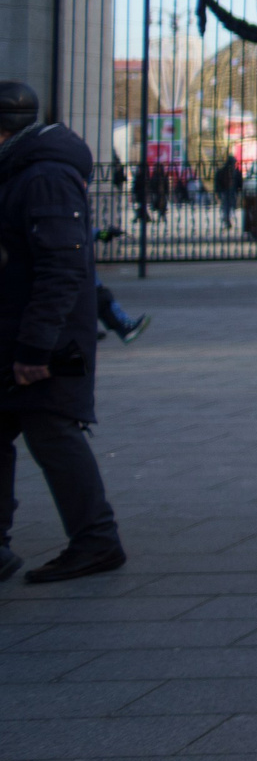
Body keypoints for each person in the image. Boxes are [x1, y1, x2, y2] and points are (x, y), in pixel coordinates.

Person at [0, 81, 126, 584]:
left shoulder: (44, 176)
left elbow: (62, 267)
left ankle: (97, 540)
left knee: (52, 430)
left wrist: (36, 348)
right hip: (20, 331)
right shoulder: (21, 170)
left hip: (45, 339)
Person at [214, 151, 242, 228]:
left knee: (226, 206)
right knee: (229, 206)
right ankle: (227, 219)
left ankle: (227, 218)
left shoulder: (222, 170)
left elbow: (217, 180)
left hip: (226, 191)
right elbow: (240, 182)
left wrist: (217, 191)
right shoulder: (235, 171)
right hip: (230, 191)